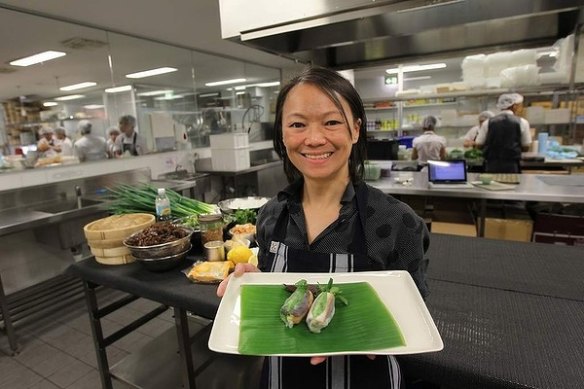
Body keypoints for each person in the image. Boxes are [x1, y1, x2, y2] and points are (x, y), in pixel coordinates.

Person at [217, 66, 430, 389]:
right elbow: (280, 297)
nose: (314, 139)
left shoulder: (396, 221)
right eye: (298, 124)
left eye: (331, 122)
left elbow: (415, 316)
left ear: (355, 130)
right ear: (283, 134)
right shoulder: (271, 216)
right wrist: (252, 287)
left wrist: (372, 331)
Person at [475, 93, 532, 173]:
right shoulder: (522, 122)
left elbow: (479, 144)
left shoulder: (488, 122)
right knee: (512, 184)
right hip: (512, 165)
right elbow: (526, 146)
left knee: (493, 184)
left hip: (491, 165)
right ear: (514, 106)